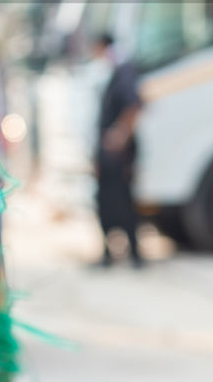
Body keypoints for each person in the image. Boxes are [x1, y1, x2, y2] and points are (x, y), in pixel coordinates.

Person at [92, 33, 144, 268]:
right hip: (111, 154)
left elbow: (134, 105)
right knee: (108, 203)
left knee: (121, 203)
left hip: (118, 155)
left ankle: (132, 254)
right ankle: (113, 253)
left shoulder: (123, 71)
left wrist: (119, 136)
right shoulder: (113, 72)